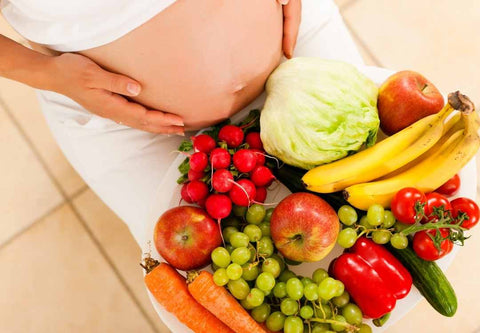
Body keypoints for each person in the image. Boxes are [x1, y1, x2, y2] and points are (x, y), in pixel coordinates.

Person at [0, 0, 363, 246]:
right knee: (215, 293)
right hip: (114, 115)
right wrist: (47, 74)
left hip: (290, 35)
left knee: (385, 208)